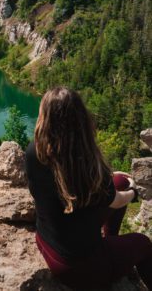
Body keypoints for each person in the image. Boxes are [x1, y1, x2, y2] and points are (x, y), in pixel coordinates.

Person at [25, 86, 152, 290]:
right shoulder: (88, 166)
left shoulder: (34, 151)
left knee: (117, 182)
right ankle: (113, 255)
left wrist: (112, 179)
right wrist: (134, 191)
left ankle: (111, 243)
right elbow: (117, 200)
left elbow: (69, 184)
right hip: (82, 268)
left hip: (46, 242)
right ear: (81, 120)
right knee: (144, 243)